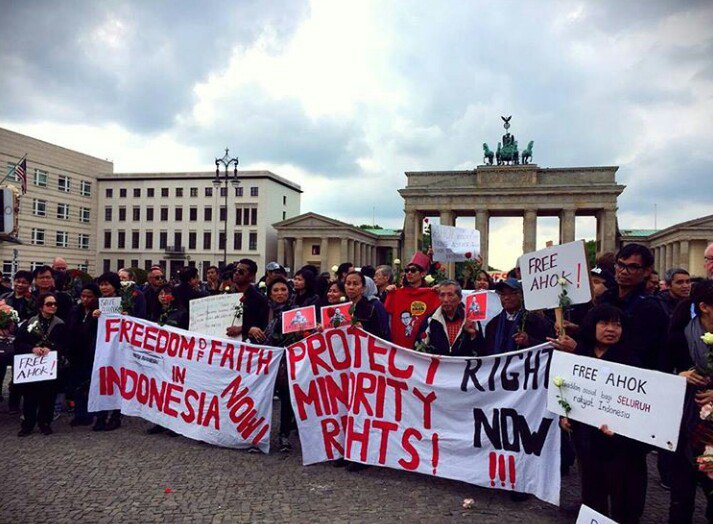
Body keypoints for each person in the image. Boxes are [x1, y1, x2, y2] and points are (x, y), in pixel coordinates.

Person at [560, 304, 648, 523]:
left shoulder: (630, 359)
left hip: (622, 448)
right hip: (588, 442)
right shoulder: (581, 354)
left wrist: (621, 427)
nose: (612, 329)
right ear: (592, 326)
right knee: (593, 495)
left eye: (617, 325)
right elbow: (569, 389)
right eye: (605, 323)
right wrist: (565, 415)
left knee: (624, 500)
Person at [665, 280, 713, 522]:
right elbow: (658, 368)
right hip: (686, 419)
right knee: (682, 488)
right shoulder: (680, 333)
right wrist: (678, 375)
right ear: (704, 307)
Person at [598, 243, 669, 370]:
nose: (624, 272)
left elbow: (640, 351)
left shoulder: (650, 307)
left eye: (633, 267)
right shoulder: (605, 297)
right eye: (620, 265)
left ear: (647, 271)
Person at [247, 277, 298, 452]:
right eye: (275, 290)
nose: (280, 293)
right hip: (264, 361)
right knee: (262, 398)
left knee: (285, 399)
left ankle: (284, 435)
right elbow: (247, 324)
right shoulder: (263, 310)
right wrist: (251, 328)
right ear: (269, 293)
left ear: (289, 292)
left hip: (286, 362)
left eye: (283, 290)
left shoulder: (296, 312)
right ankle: (259, 435)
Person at [15, 292, 68, 436]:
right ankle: (28, 425)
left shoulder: (60, 324)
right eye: (49, 304)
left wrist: (51, 349)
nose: (53, 306)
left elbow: (64, 344)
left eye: (55, 304)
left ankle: (45, 423)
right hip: (32, 366)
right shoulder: (29, 322)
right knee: (30, 397)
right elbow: (19, 342)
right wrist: (32, 348)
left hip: (50, 367)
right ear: (41, 306)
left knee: (48, 397)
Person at [91, 272, 125, 431]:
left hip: (120, 349)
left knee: (119, 380)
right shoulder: (95, 302)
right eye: (101, 284)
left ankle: (116, 415)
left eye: (107, 284)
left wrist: (127, 317)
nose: (104, 287)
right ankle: (101, 415)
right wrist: (93, 316)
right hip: (101, 348)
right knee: (101, 379)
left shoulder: (126, 301)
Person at [484, 278, 554, 355]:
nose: (506, 297)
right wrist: (474, 336)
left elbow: (551, 346)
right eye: (503, 294)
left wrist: (530, 341)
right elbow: (486, 353)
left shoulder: (537, 320)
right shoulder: (493, 325)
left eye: (512, 293)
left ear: (521, 295)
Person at [384, 252, 439, 348]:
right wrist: (385, 294)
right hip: (398, 346)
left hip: (421, 347)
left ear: (423, 274)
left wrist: (441, 291)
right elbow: (385, 318)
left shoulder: (432, 294)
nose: (409, 273)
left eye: (413, 270)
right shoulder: (395, 293)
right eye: (407, 270)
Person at [415, 280, 483, 356]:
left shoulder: (471, 319)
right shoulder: (431, 320)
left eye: (450, 295)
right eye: (442, 295)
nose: (445, 300)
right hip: (439, 366)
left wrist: (473, 335)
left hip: (463, 366)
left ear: (460, 298)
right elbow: (419, 349)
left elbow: (482, 353)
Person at [0, 270, 34, 408]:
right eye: (18, 281)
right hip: (4, 339)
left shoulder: (32, 299)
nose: (20, 284)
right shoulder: (4, 297)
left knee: (18, 372)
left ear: (29, 284)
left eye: (24, 282)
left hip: (22, 340)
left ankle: (14, 402)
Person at [67, 283, 100, 427]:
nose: (86, 299)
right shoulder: (76, 310)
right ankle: (79, 414)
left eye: (89, 296)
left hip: (92, 353)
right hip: (77, 352)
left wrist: (94, 319)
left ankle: (90, 414)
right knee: (77, 385)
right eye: (83, 296)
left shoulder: (98, 312)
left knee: (89, 384)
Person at [226, 259, 269, 344]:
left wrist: (242, 329)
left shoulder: (260, 300)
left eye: (241, 272)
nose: (236, 273)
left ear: (251, 276)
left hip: (248, 347)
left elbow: (263, 326)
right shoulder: (226, 296)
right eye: (235, 270)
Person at [345, 271, 390, 341]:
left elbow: (384, 334)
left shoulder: (374, 306)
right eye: (348, 283)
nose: (351, 287)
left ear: (363, 288)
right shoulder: (340, 307)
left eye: (355, 284)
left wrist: (364, 330)